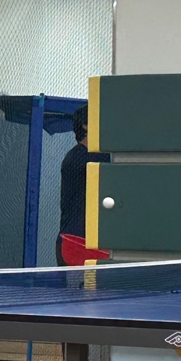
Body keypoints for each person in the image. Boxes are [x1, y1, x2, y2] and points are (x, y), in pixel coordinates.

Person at [56, 103, 108, 265]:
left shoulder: (85, 156)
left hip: (87, 244)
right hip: (75, 244)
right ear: (86, 126)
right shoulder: (80, 158)